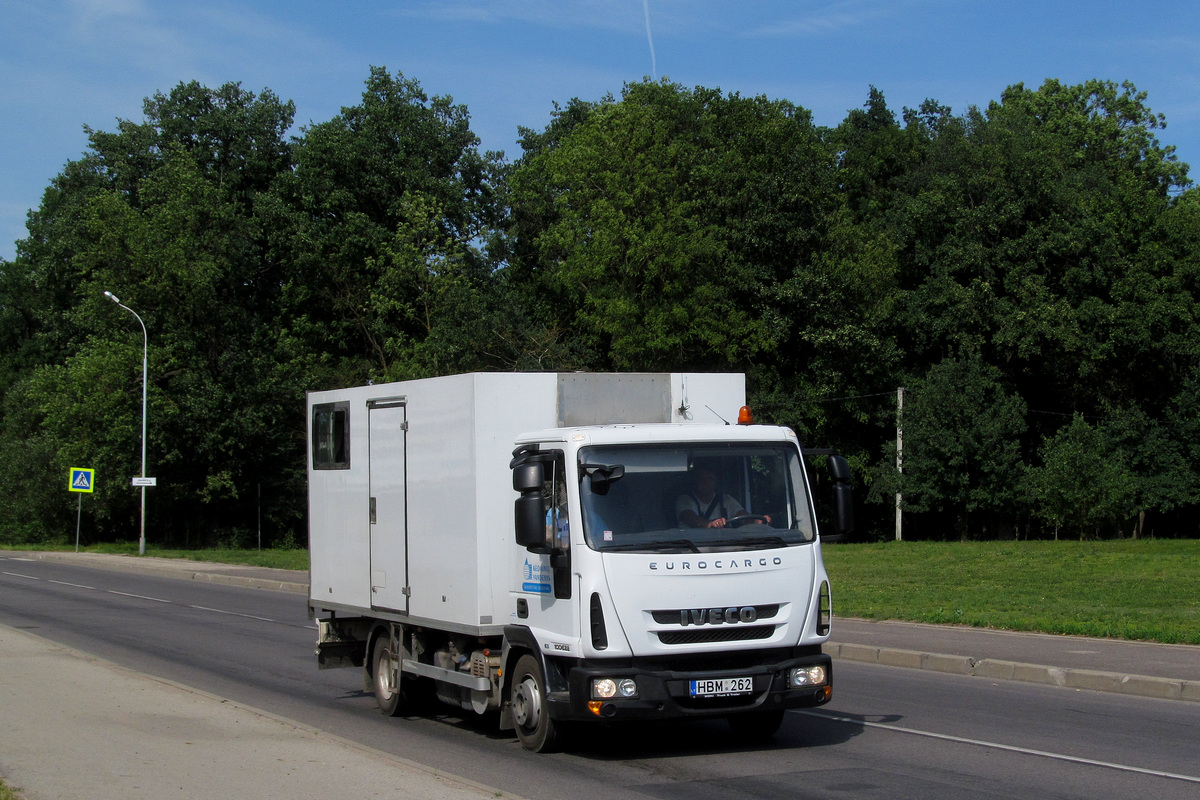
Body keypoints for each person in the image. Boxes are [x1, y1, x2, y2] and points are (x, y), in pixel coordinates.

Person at [676, 463, 769, 529]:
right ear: (695, 481)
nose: (706, 482)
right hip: (693, 548)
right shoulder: (685, 500)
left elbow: (742, 515)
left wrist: (756, 521)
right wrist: (709, 524)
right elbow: (690, 518)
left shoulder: (725, 500)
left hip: (723, 546)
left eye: (710, 478)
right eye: (702, 479)